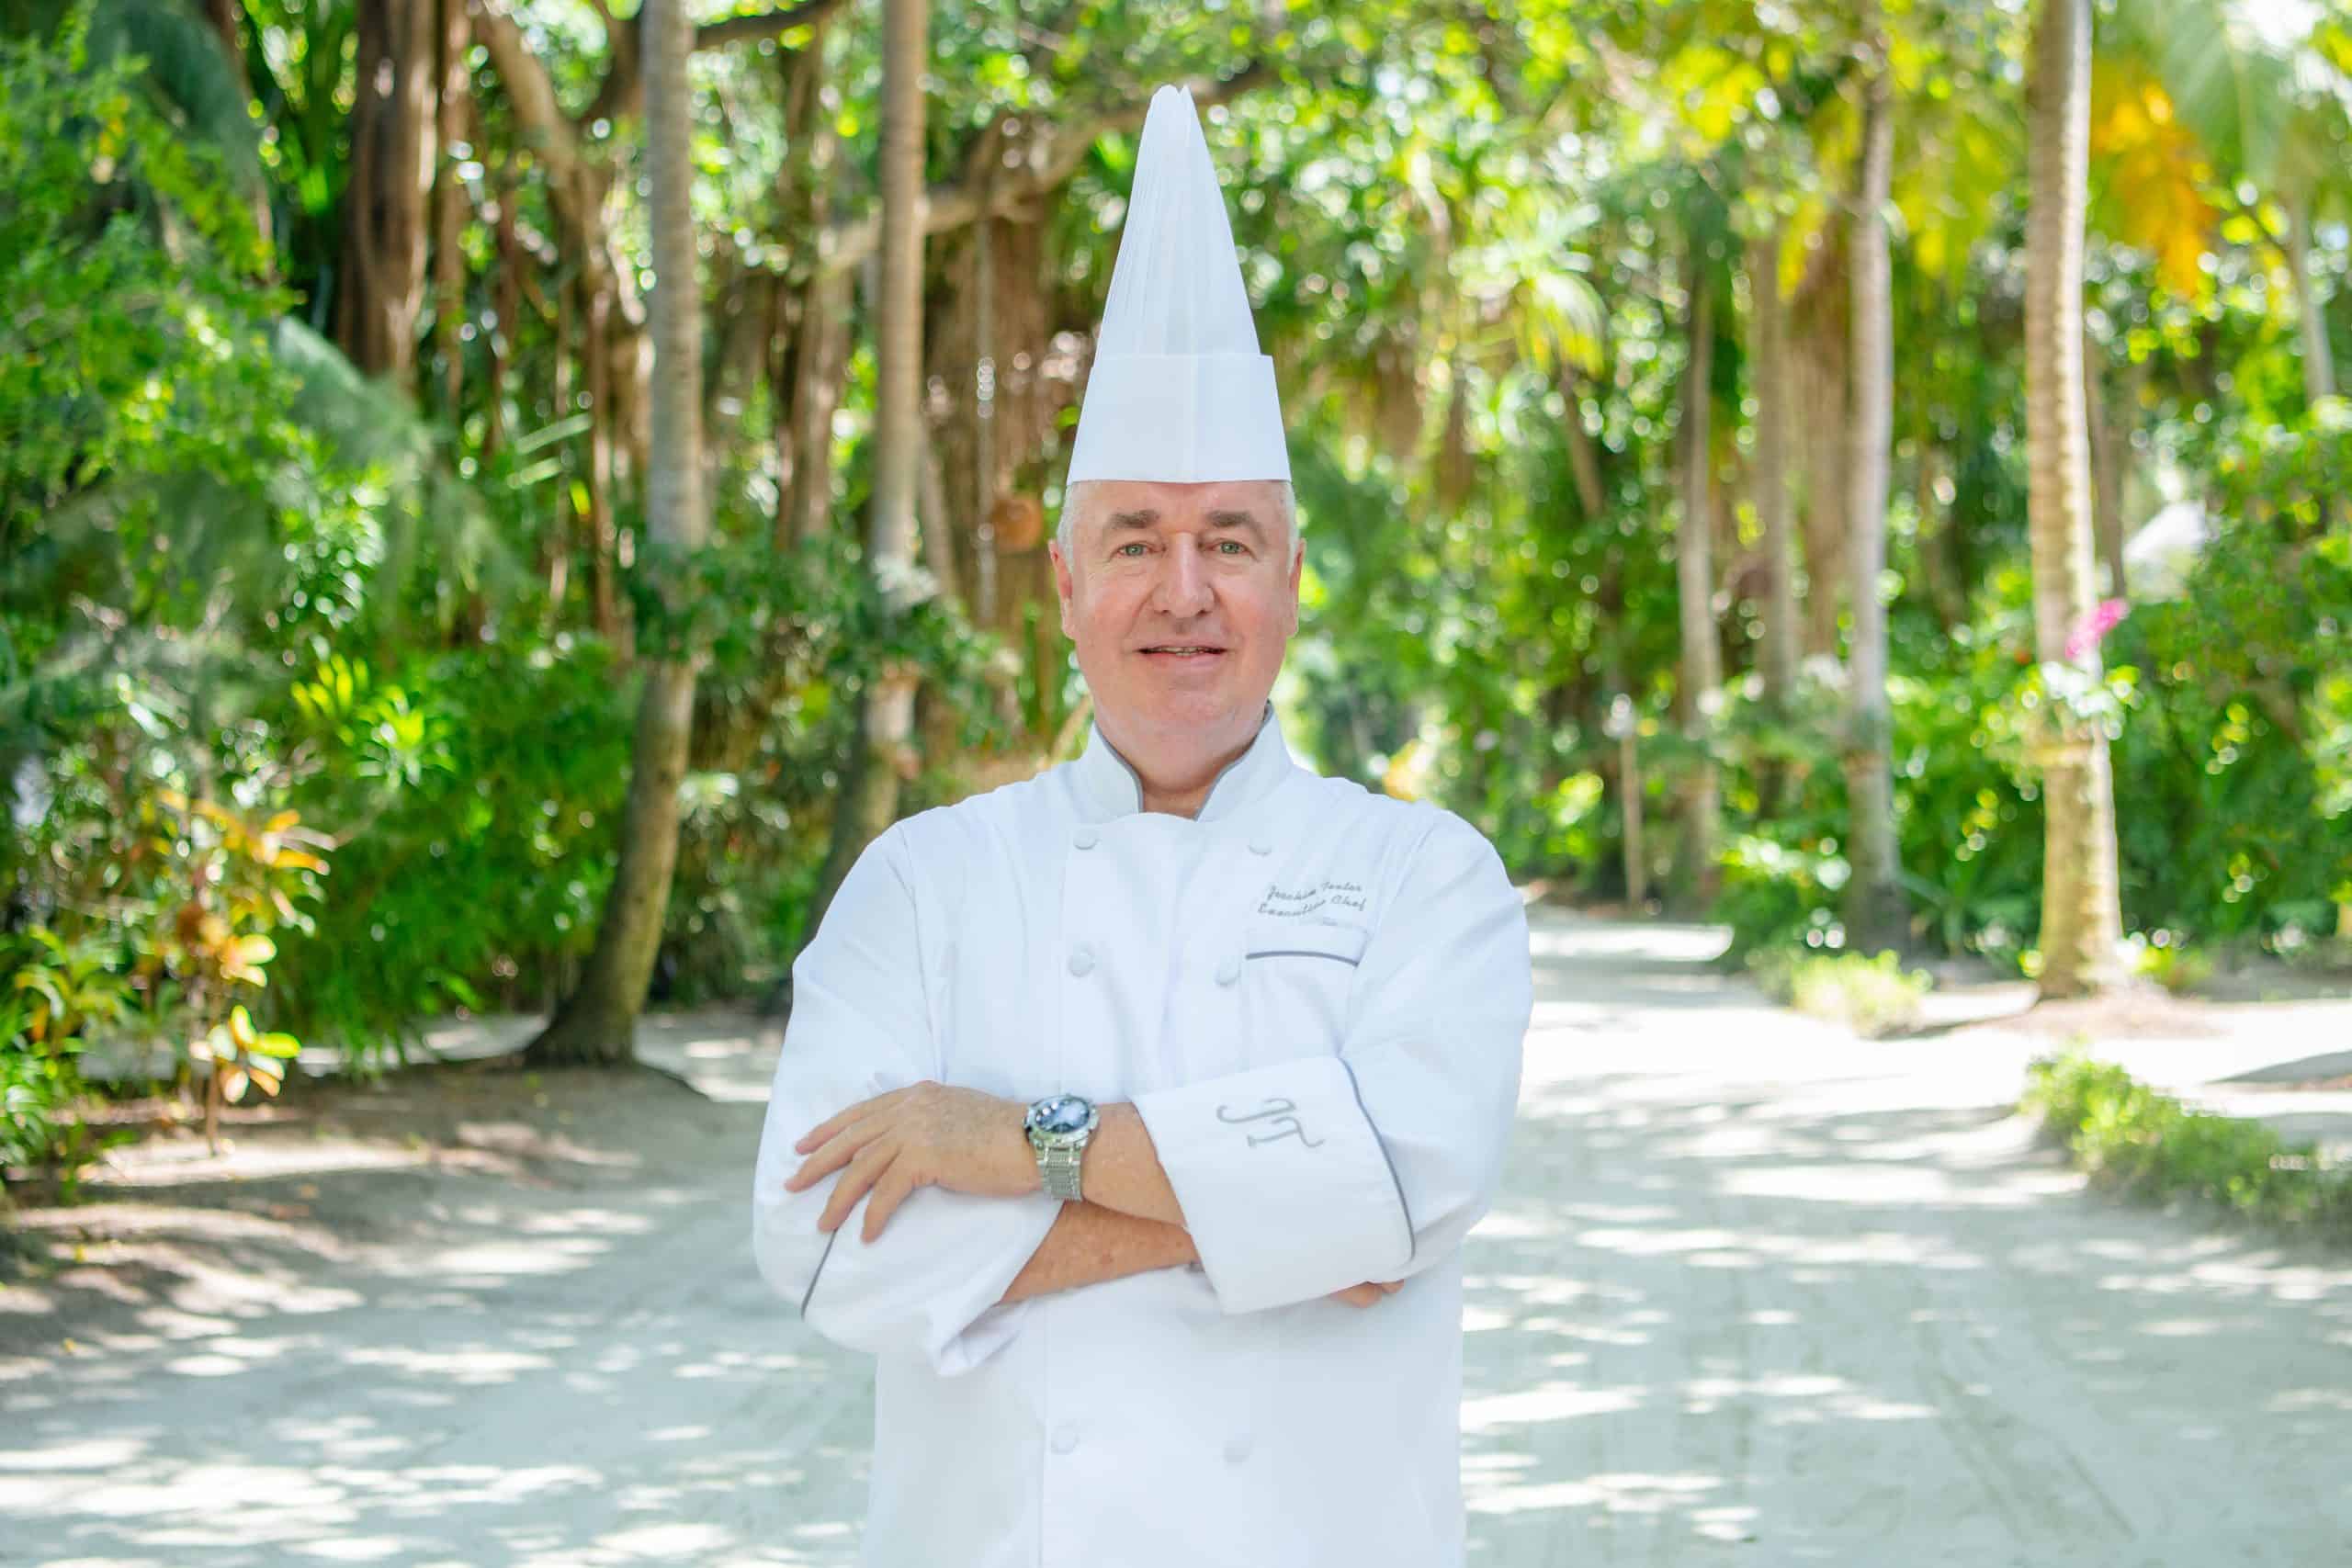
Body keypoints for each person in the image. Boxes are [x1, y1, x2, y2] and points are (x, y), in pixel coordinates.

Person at [749, 82, 1534, 1568]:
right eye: (1135, 541)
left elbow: (1405, 1184)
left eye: (1228, 539)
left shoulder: (1427, 880)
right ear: (1064, 584)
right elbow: (821, 1248)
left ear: (1291, 578)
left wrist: (1004, 1141)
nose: (1184, 591)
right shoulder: (920, 887)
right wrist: (1282, 1213)